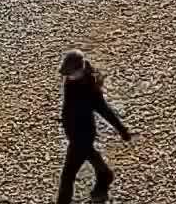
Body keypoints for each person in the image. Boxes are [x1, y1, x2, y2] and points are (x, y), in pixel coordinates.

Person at [56, 48, 131, 204]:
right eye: (66, 74)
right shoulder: (71, 81)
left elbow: (104, 110)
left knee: (67, 176)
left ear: (81, 69)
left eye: (70, 73)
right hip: (73, 133)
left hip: (82, 135)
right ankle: (105, 175)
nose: (68, 77)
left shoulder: (89, 89)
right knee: (91, 156)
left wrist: (122, 130)